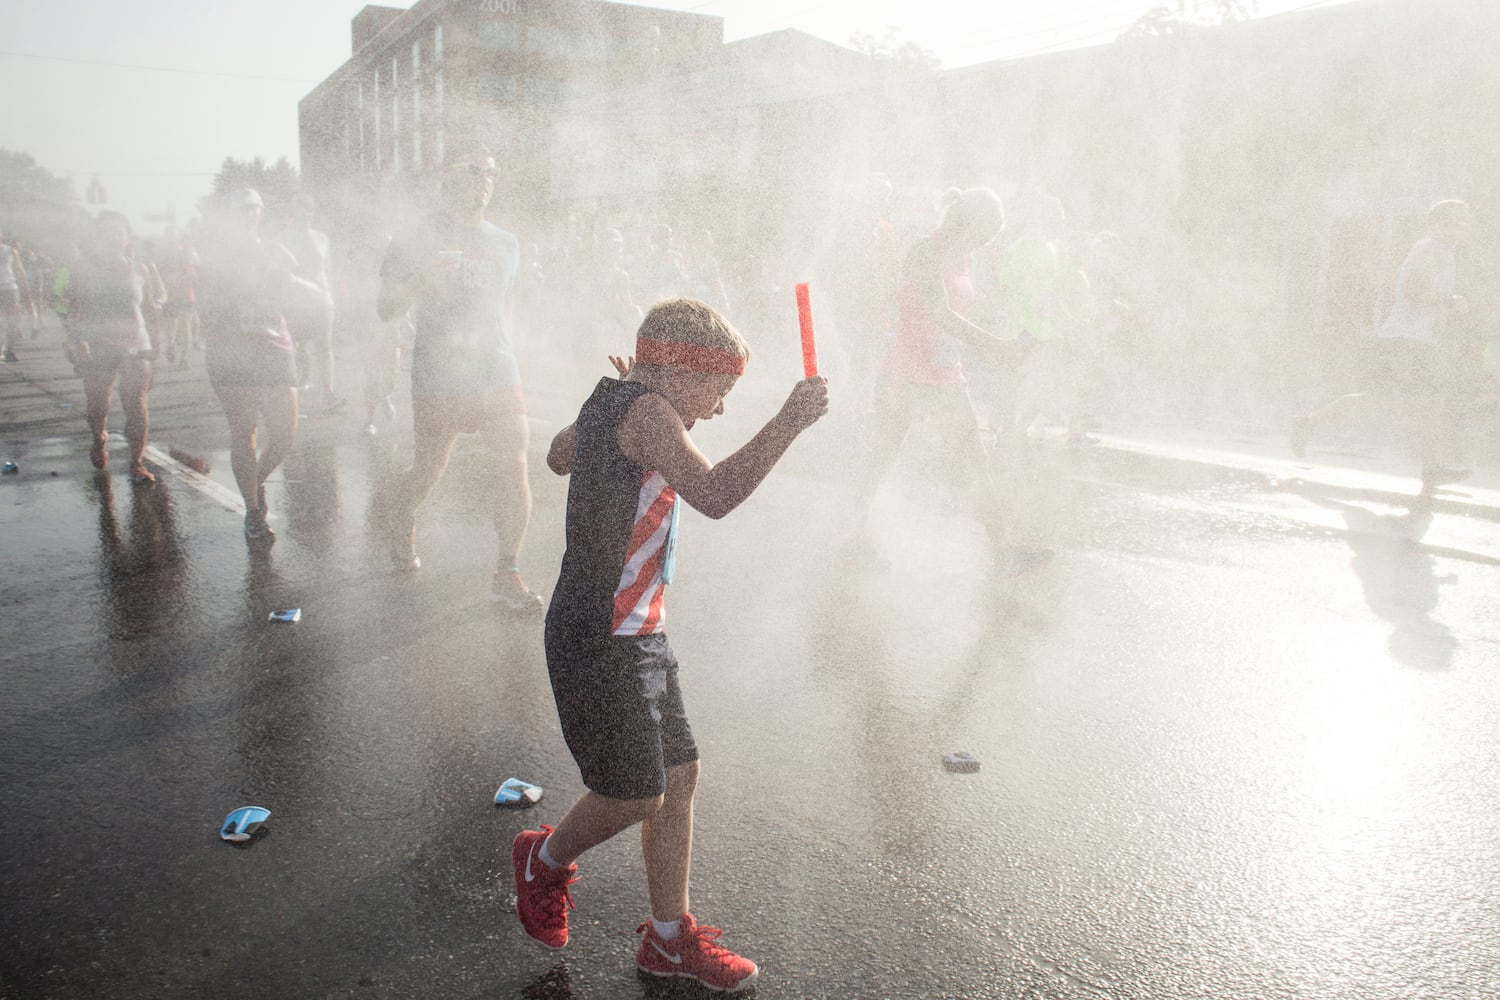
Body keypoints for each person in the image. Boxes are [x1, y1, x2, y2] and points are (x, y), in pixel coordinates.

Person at [512, 298, 828, 992]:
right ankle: (546, 860)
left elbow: (560, 453)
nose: (717, 410)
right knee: (633, 796)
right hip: (599, 637)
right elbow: (715, 494)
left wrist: (630, 403)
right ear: (682, 372)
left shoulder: (620, 404)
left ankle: (667, 940)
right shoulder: (649, 412)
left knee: (679, 778)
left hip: (639, 630)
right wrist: (788, 421)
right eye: (720, 391)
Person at [374, 148, 541, 610]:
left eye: (491, 171)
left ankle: (507, 571)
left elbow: (510, 304)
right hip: (438, 371)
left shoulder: (507, 242)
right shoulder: (416, 235)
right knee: (429, 470)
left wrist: (513, 343)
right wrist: (418, 282)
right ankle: (402, 515)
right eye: (473, 170)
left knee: (514, 466)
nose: (484, 179)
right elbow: (386, 307)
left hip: (496, 368)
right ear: (446, 177)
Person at [853, 187, 1047, 574]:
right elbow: (938, 314)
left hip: (945, 375)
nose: (991, 237)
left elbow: (960, 311)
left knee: (977, 462)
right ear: (969, 220)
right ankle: (854, 539)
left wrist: (1004, 331)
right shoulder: (925, 252)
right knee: (880, 460)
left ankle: (1003, 552)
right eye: (990, 227)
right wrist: (997, 347)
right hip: (906, 374)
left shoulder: (962, 259)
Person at [1290, 199, 1473, 489]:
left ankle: (1431, 469)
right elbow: (1414, 291)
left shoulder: (1444, 252)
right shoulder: (1429, 250)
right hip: (1404, 340)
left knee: (1415, 402)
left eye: (1465, 221)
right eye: (1458, 221)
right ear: (1440, 224)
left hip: (1415, 341)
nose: (1465, 227)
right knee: (1403, 401)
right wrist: (1450, 302)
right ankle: (1306, 424)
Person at [198, 188, 325, 543]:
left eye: (254, 209)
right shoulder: (215, 257)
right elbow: (205, 303)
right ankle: (253, 512)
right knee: (245, 432)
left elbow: (303, 290)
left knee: (285, 433)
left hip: (274, 346)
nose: (249, 215)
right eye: (242, 210)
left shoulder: (274, 250)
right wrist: (242, 290)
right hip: (230, 349)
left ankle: (256, 481)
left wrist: (294, 287)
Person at [62, 211, 164, 484]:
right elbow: (74, 309)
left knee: (136, 403)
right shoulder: (83, 271)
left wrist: (157, 344)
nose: (113, 236)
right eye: (106, 232)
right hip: (98, 345)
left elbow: (150, 308)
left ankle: (137, 462)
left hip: (136, 345)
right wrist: (77, 340)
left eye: (118, 231)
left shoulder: (141, 269)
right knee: (98, 405)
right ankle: (99, 437)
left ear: (127, 237)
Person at [279, 195, 343, 410]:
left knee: (324, 345)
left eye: (308, 211)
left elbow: (329, 269)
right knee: (296, 345)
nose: (305, 215)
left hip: (322, 300)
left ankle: (329, 394)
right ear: (292, 214)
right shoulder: (283, 239)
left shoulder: (322, 238)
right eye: (300, 211)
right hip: (295, 301)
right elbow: (281, 270)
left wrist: (335, 294)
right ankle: (298, 383)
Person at [0, 226, 28, 363]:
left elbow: (19, 269)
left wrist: (26, 287)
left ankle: (9, 350)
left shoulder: (10, 251)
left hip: (10, 288)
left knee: (13, 320)